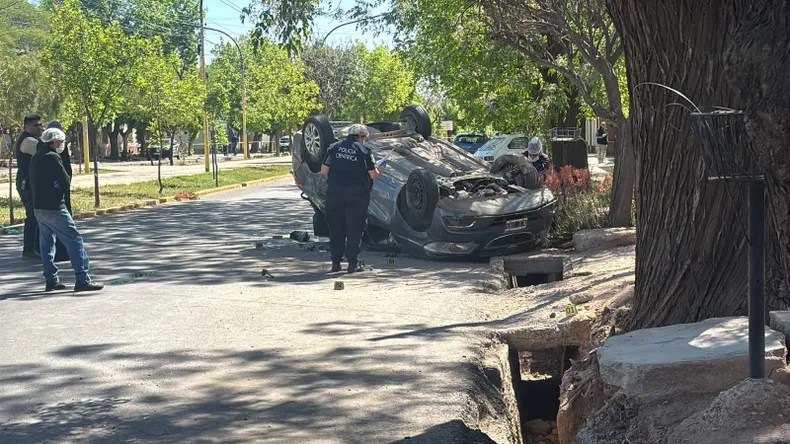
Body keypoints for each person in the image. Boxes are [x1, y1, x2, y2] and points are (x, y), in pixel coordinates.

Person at [29, 128, 103, 292]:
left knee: (47, 244)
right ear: (55, 141)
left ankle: (51, 280)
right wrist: (57, 187)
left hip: (39, 208)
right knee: (75, 241)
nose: (62, 145)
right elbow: (65, 181)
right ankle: (82, 279)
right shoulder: (53, 157)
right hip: (55, 208)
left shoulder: (36, 156)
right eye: (61, 142)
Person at [321, 124, 385, 273]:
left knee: (336, 228)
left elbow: (324, 170)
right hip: (357, 196)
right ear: (362, 137)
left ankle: (336, 263)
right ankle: (352, 263)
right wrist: (381, 168)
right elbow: (373, 175)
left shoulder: (334, 147)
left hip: (335, 194)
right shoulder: (364, 150)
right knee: (354, 229)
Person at [15, 115, 44, 259]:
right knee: (33, 215)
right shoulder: (28, 141)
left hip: (32, 182)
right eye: (35, 125)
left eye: (40, 125)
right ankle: (29, 249)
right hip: (26, 183)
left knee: (37, 215)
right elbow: (46, 150)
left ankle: (37, 247)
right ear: (26, 127)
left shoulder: (33, 139)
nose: (39, 128)